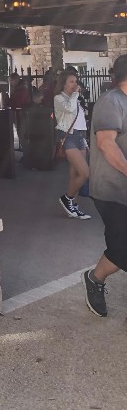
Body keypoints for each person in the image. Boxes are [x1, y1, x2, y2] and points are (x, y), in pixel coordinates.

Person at [82, 54, 127, 317]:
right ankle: (94, 279)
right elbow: (106, 144)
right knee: (122, 249)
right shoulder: (111, 102)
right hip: (112, 190)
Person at [54, 69, 91, 220]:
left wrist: (85, 142)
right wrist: (75, 94)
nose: (75, 84)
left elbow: (81, 122)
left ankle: (73, 207)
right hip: (68, 137)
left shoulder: (75, 99)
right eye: (71, 81)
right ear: (63, 84)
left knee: (75, 174)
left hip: (79, 137)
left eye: (76, 81)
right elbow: (68, 109)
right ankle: (67, 198)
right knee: (85, 173)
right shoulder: (59, 98)